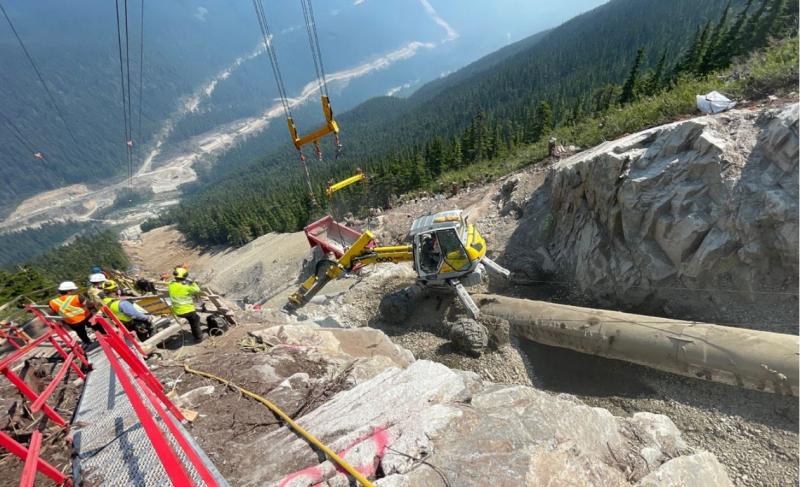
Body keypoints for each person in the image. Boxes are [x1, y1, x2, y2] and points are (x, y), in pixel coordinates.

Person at [49, 281, 94, 345]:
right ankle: (103, 333)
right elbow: (88, 304)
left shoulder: (53, 302)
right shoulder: (76, 297)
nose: (74, 291)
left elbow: (50, 312)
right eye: (73, 290)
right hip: (85, 317)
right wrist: (93, 302)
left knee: (80, 332)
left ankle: (87, 341)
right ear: (69, 291)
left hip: (72, 322)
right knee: (96, 325)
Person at [168, 266, 204, 341]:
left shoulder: (171, 285)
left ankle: (195, 333)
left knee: (191, 319)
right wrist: (192, 282)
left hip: (177, 311)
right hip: (187, 310)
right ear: (185, 277)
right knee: (195, 320)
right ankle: (198, 337)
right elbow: (197, 290)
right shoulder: (186, 288)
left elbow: (173, 281)